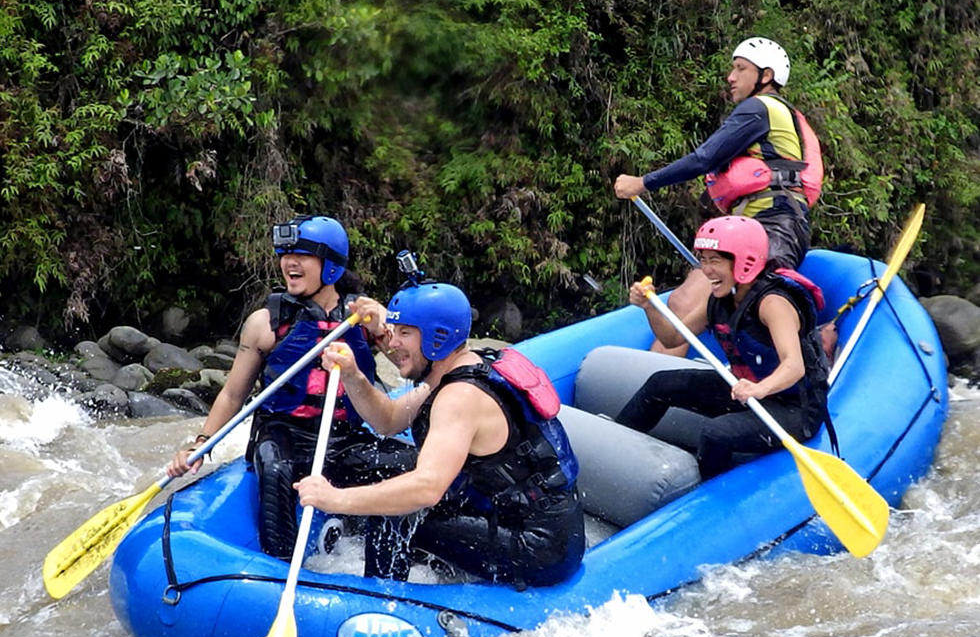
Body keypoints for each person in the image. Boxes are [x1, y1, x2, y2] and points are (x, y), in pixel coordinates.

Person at [294, 280, 585, 587]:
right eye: (395, 332)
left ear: (438, 337)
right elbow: (389, 420)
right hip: (539, 521)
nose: (392, 344)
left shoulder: (459, 396)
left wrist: (335, 499)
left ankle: (381, 604)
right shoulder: (462, 369)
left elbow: (426, 489)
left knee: (393, 513)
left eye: (405, 333)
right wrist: (352, 375)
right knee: (400, 485)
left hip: (541, 547)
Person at [167, 215, 413, 557]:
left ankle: (386, 571)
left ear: (330, 266)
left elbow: (413, 366)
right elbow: (233, 394)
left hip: (343, 437)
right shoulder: (265, 322)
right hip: (285, 436)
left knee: (408, 464)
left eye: (302, 255)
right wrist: (202, 443)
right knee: (273, 465)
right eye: (285, 254)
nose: (289, 263)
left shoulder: (362, 316)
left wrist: (384, 325)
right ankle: (278, 561)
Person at [615, 37, 822, 330]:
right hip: (750, 227)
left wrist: (643, 183)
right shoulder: (761, 113)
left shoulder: (759, 108)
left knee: (708, 303)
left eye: (741, 69)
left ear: (766, 76)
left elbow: (704, 159)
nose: (731, 77)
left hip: (777, 227)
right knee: (682, 303)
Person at [615, 215, 830, 480]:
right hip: (744, 390)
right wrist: (649, 308)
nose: (706, 270)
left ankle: (704, 495)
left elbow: (794, 365)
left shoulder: (773, 303)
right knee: (661, 384)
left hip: (793, 408)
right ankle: (614, 445)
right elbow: (672, 338)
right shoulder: (719, 299)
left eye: (715, 261)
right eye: (703, 260)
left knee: (716, 433)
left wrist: (759, 389)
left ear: (744, 262)